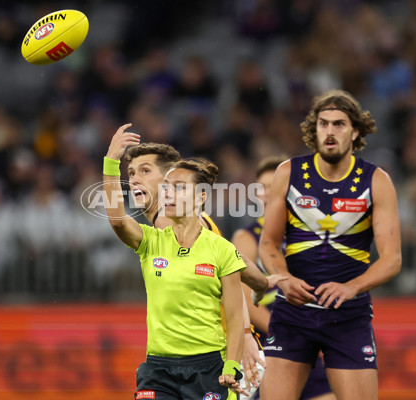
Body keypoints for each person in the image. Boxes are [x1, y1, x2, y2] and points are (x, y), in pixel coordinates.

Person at [258, 90, 402, 399]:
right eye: (323, 124)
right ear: (315, 129)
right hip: (292, 314)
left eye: (339, 124)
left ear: (355, 131)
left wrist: (351, 287)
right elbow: (268, 243)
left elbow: (392, 259)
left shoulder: (376, 181)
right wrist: (283, 279)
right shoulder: (288, 173)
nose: (330, 132)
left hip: (348, 315)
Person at [103, 123, 251, 398]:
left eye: (178, 188)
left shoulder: (216, 247)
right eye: (130, 172)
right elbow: (117, 221)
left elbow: (233, 308)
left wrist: (238, 353)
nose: (134, 179)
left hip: (209, 365)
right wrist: (111, 163)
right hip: (159, 368)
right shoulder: (152, 239)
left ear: (200, 197)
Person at [124, 141, 285, 390]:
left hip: (214, 354)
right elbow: (234, 259)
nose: (134, 178)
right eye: (131, 172)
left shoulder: (169, 223)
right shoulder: (181, 219)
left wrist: (244, 335)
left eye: (145, 171)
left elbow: (227, 269)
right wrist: (260, 283)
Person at [232, 156, 335, 400]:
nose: (267, 193)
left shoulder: (307, 234)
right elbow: (244, 301)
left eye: (274, 186)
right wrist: (286, 330)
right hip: (266, 338)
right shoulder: (247, 238)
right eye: (262, 188)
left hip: (302, 332)